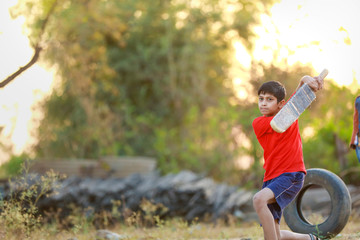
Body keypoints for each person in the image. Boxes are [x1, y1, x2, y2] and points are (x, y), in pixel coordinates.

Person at [252, 74, 324, 240]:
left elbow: (297, 101)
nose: (263, 103)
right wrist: (304, 82)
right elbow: (282, 117)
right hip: (271, 177)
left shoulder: (291, 115)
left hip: (291, 174)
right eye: (261, 98)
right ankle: (309, 239)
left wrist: (306, 80)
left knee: (258, 199)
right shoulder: (258, 123)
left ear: (280, 104)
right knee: (274, 234)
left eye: (269, 99)